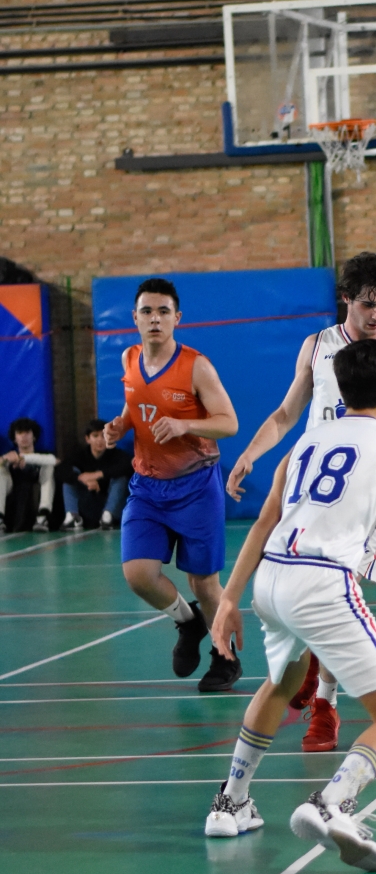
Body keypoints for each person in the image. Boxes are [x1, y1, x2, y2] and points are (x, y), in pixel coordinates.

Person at [204, 338, 376, 869]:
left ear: (338, 388)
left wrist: (228, 600)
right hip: (322, 582)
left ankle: (230, 802)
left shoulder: (305, 443)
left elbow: (262, 524)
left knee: (281, 683)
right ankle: (332, 802)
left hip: (271, 577)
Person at [226, 250, 376, 753]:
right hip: (317, 488)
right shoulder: (318, 347)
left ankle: (324, 700)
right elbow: (286, 414)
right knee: (327, 593)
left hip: (374, 492)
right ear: (346, 299)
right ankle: (315, 683)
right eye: (368, 304)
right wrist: (249, 453)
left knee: (344, 591)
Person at [104, 277, 241, 693]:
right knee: (139, 575)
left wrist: (185, 424)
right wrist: (120, 425)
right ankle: (188, 621)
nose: (155, 319)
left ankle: (226, 657)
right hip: (147, 486)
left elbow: (229, 423)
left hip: (195, 487)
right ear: (135, 318)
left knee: (204, 583)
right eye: (147, 311)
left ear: (177, 318)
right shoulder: (129, 358)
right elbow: (136, 403)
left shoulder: (196, 366)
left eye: (163, 311)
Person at [61, 419, 132, 531]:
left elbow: (128, 466)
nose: (100, 440)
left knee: (120, 477)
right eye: (95, 436)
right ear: (87, 439)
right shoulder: (79, 455)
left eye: (103, 436)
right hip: (87, 503)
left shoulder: (116, 455)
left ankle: (107, 516)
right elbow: (61, 470)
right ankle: (72, 517)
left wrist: (98, 475)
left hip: (110, 504)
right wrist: (82, 479)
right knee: (70, 476)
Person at [0, 418, 57, 534]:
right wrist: (5, 459)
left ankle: (43, 516)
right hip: (12, 494)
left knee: (48, 466)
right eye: (20, 433)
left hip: (39, 491)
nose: (23, 436)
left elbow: (54, 461)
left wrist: (25, 458)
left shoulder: (44, 455)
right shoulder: (10, 456)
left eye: (27, 432)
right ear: (15, 438)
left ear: (34, 436)